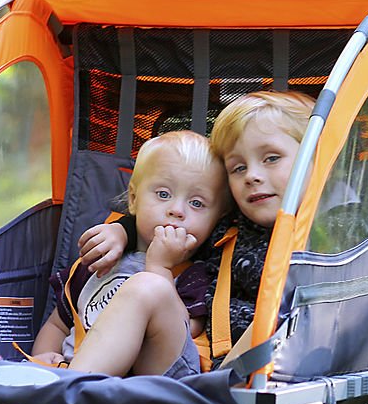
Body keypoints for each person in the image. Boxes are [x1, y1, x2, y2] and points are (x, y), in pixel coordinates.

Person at [81, 90, 315, 369]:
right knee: (147, 285)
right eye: (238, 168)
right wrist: (123, 231)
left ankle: (66, 393)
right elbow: (174, 224)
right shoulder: (228, 227)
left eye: (272, 158)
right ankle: (67, 389)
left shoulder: (336, 231)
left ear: (317, 156)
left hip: (259, 370)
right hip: (193, 367)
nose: (252, 176)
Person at [29, 129, 229, 378]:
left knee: (150, 287)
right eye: (163, 194)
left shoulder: (199, 274)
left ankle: (70, 386)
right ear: (133, 199)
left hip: (159, 381)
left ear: (216, 220)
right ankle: (60, 384)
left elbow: (184, 331)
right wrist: (43, 357)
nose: (177, 210)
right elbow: (58, 323)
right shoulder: (102, 256)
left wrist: (161, 267)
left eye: (197, 203)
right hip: (77, 371)